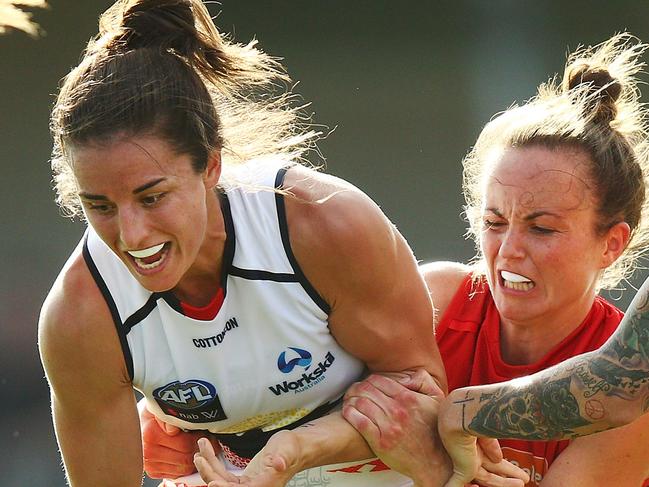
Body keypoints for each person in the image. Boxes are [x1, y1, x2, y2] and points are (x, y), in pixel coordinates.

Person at [37, 1, 522, 486]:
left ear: (210, 165)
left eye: (153, 197)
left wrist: (283, 455)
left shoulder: (325, 223)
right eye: (99, 206)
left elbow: (415, 401)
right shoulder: (80, 317)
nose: (132, 234)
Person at [341, 33, 649, 486]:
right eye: (494, 221)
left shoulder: (630, 382)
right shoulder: (437, 302)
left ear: (612, 242)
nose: (508, 250)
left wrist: (434, 465)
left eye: (541, 228)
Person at [436, 270, 649, 487]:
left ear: (612, 245)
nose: (510, 249)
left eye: (543, 233)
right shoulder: (439, 297)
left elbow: (620, 391)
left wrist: (460, 414)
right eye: (493, 232)